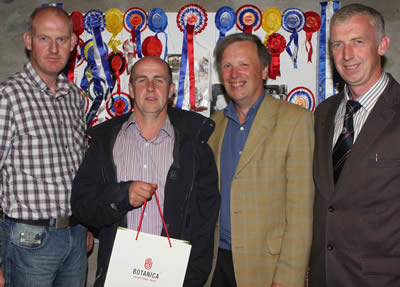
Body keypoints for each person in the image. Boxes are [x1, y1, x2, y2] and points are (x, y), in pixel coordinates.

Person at [71, 56, 220, 287]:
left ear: (171, 90)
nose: (150, 87)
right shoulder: (103, 143)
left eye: (158, 80)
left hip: (174, 278)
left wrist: (192, 279)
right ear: (130, 89)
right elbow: (81, 205)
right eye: (142, 80)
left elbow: (205, 223)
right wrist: (119, 197)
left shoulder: (196, 150)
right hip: (118, 276)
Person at [205, 33, 314, 287]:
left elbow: (301, 212)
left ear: (264, 70)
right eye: (227, 66)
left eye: (244, 64)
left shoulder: (296, 121)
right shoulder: (213, 126)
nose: (234, 74)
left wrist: (288, 279)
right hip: (216, 265)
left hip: (268, 268)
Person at [0, 6, 91, 287]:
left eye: (62, 39)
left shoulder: (75, 97)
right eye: (44, 39)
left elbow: (78, 168)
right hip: (28, 240)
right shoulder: (8, 96)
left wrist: (85, 223)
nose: (54, 49)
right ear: (28, 41)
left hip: (75, 238)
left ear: (73, 43)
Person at [308, 3, 399, 286]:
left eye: (358, 42)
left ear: (382, 45)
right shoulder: (323, 114)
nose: (347, 55)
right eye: (338, 44)